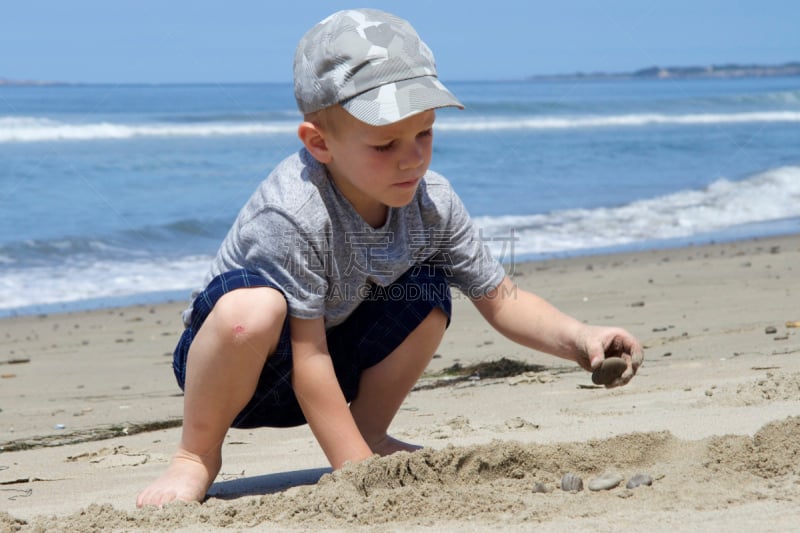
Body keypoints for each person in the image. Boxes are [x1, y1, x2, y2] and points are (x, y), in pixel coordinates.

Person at [137, 8, 644, 508]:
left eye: (424, 133)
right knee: (253, 310)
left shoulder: (432, 202)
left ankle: (369, 433)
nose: (412, 158)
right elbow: (306, 355)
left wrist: (581, 338)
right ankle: (196, 455)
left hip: (335, 361)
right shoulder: (293, 213)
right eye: (385, 144)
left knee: (426, 292)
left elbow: (502, 300)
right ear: (319, 143)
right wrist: (354, 472)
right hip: (239, 370)